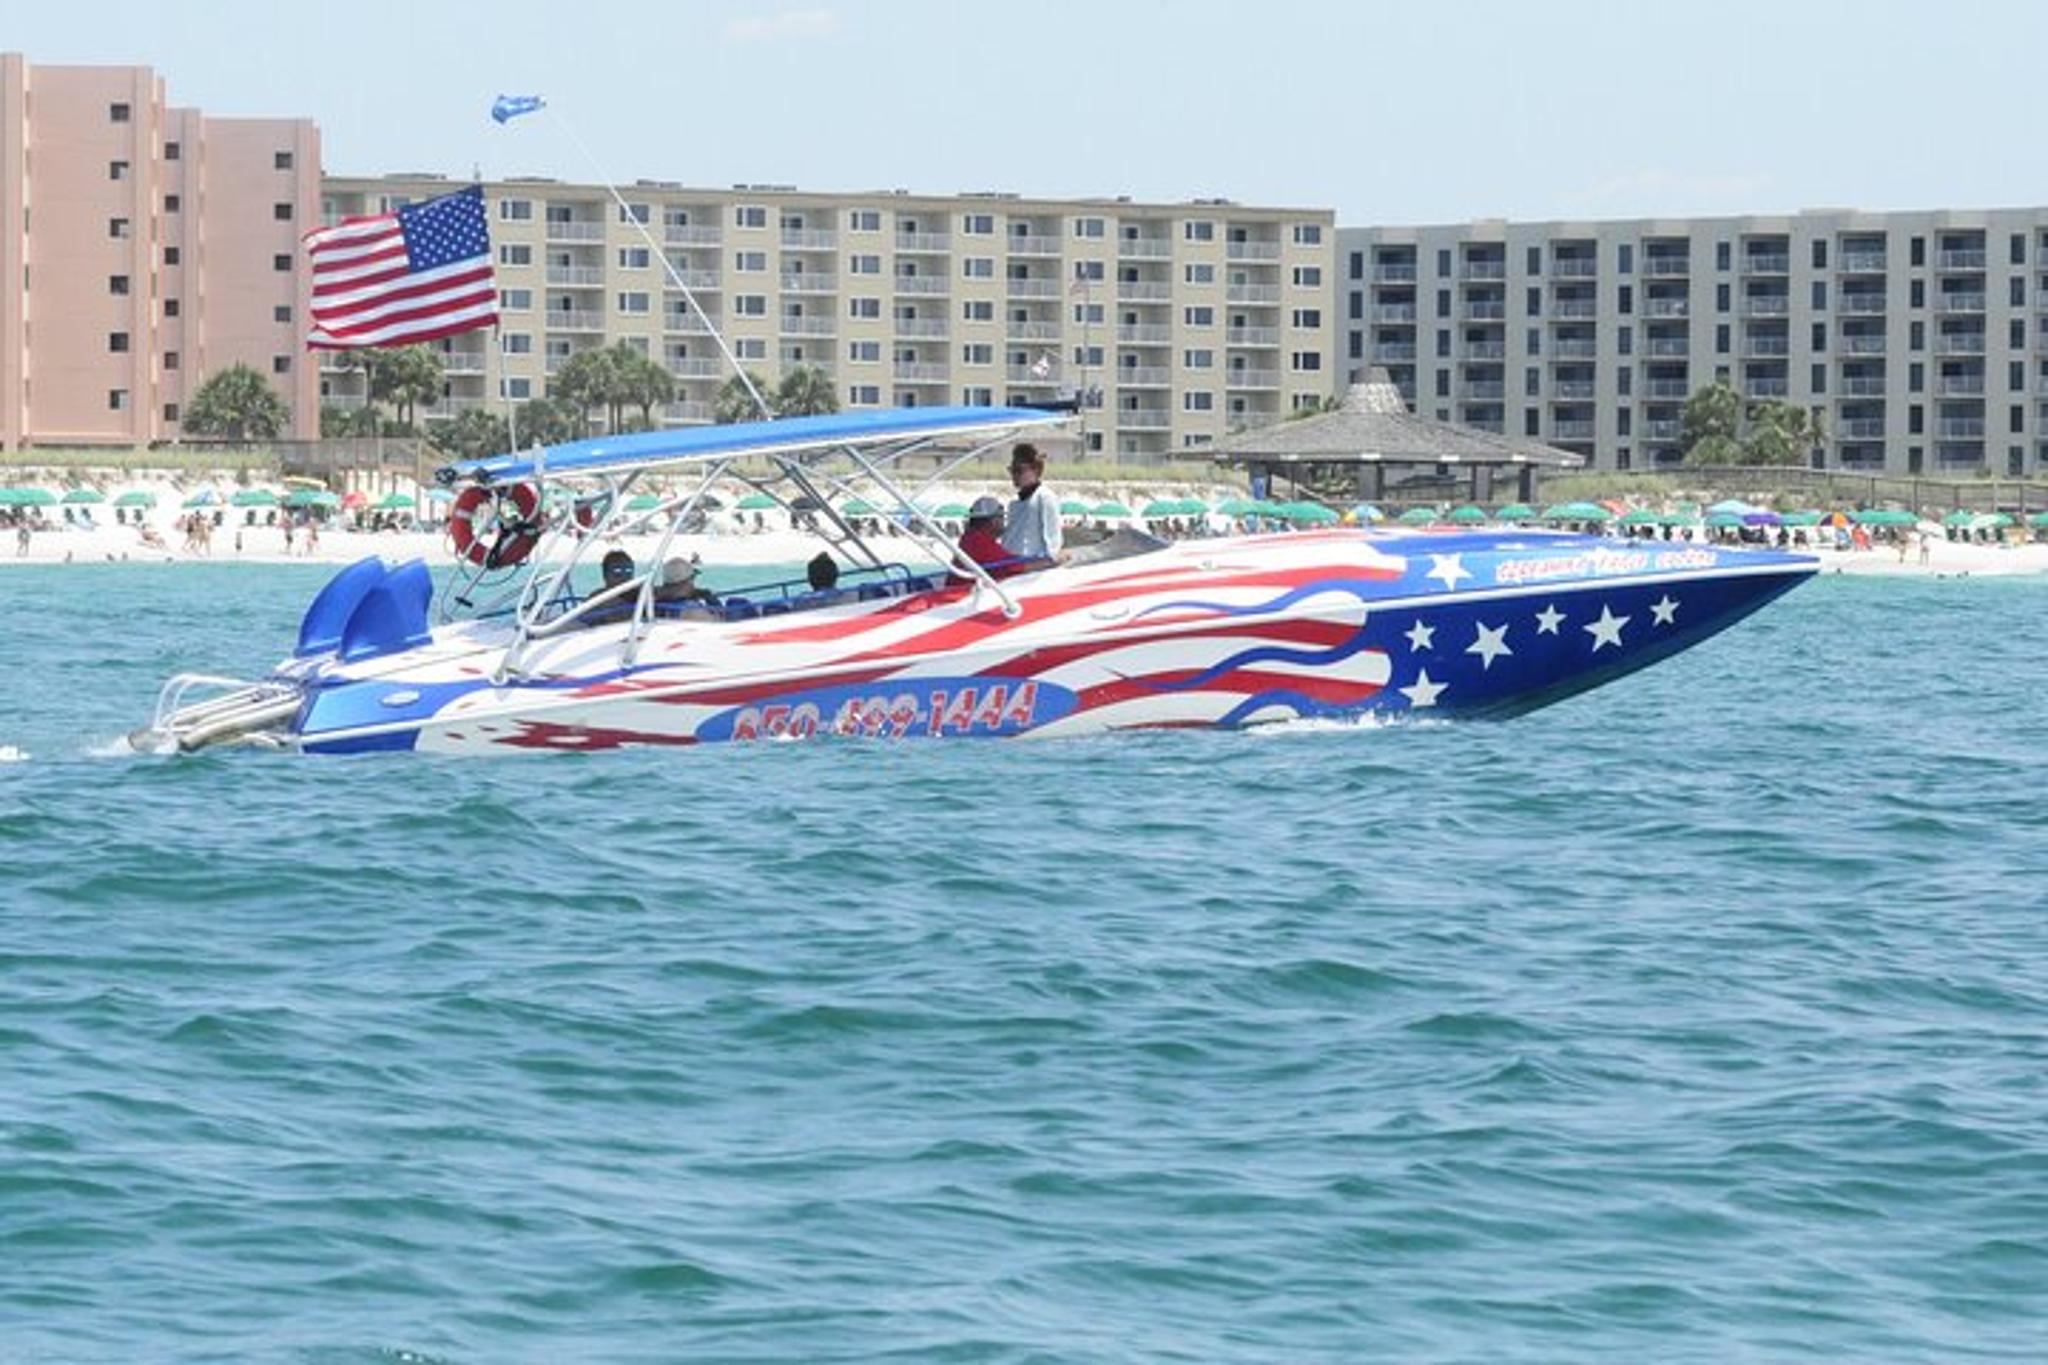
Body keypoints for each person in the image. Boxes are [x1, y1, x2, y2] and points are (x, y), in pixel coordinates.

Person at [999, 441, 1062, 567]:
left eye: (1019, 470)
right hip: (1013, 566)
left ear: (1035, 469)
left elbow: (1052, 538)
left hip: (1032, 570)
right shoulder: (1014, 503)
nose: (1014, 475)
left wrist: (1048, 563)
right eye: (1012, 470)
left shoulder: (1045, 497)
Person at [957, 496, 1013, 576]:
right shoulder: (980, 543)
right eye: (1001, 517)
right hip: (971, 587)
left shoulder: (969, 538)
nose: (1003, 521)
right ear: (994, 521)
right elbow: (1015, 566)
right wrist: (1037, 564)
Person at [653, 556, 720, 616]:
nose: (693, 584)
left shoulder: (653, 603)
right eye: (692, 578)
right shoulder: (690, 610)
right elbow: (721, 620)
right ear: (687, 581)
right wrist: (711, 599)